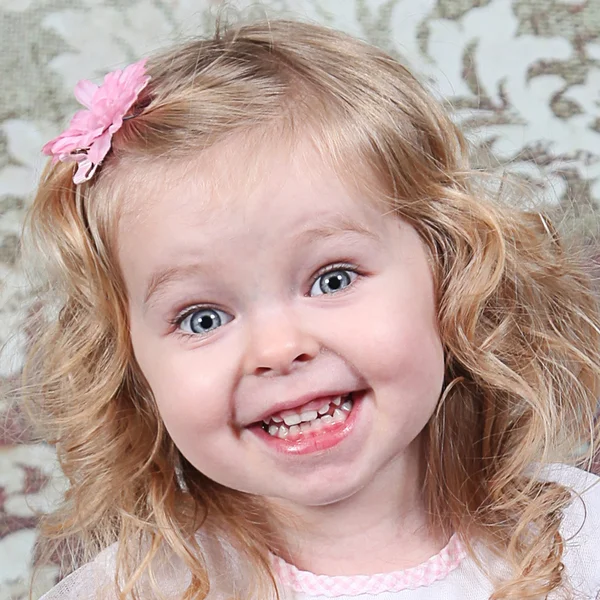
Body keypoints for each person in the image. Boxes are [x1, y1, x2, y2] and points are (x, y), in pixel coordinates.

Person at [21, 17, 600, 600]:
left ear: (450, 273)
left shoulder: (575, 538)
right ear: (131, 368)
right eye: (203, 318)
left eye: (332, 278)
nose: (278, 349)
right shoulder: (129, 591)